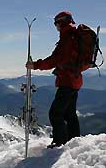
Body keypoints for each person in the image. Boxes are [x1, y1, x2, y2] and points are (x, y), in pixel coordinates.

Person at [26, 11, 81, 148]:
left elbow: (54, 60)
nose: (56, 27)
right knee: (69, 114)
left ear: (61, 22)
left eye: (56, 24)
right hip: (74, 80)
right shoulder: (73, 37)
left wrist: (35, 65)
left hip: (67, 81)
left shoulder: (67, 38)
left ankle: (59, 143)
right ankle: (74, 142)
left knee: (55, 113)